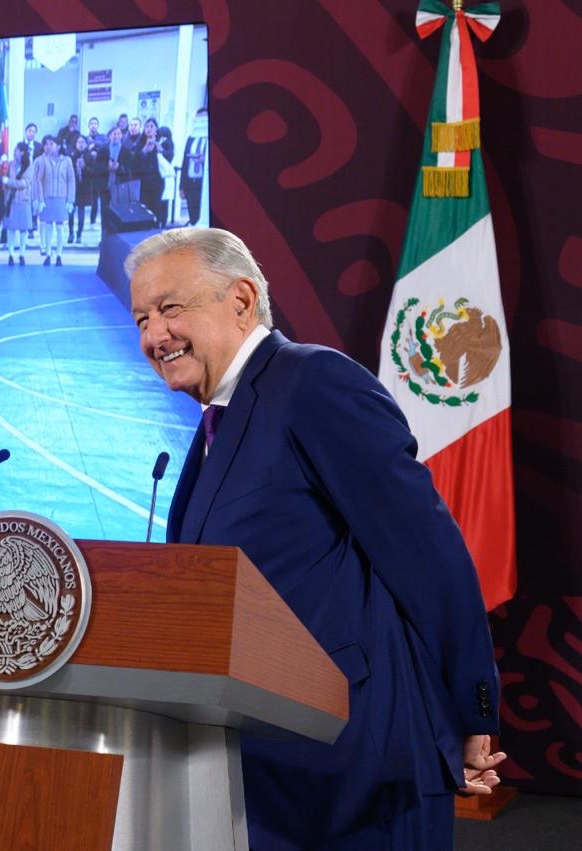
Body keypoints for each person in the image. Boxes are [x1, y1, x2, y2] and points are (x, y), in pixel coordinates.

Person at [126, 228, 505, 848]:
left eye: (170, 309)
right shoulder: (218, 423)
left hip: (357, 769)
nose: (152, 335)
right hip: (271, 764)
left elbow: (428, 554)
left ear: (242, 299)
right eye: (141, 317)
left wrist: (472, 710)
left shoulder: (313, 383)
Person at [31, 136, 75, 267]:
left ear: (58, 146)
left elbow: (71, 180)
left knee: (60, 228)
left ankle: (59, 254)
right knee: (48, 227)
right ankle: (48, 253)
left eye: (52, 144)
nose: (49, 146)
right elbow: (38, 180)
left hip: (61, 198)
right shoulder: (44, 161)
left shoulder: (67, 161)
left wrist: (70, 200)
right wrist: (40, 199)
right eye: (47, 144)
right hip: (48, 198)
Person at [138, 118, 174, 228]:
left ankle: (158, 227)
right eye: (147, 126)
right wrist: (144, 151)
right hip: (143, 182)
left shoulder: (161, 144)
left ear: (156, 130)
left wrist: (160, 151)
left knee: (158, 207)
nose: (149, 129)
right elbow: (135, 161)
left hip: (157, 182)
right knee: (144, 208)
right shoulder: (140, 143)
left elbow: (169, 158)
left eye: (151, 126)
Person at [2, 143, 33, 266]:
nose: (15, 152)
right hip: (12, 201)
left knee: (23, 230)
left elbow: (24, 183)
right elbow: (4, 181)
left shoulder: (29, 166)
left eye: (17, 150)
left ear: (22, 152)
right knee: (11, 229)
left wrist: (9, 182)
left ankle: (22, 254)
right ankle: (10, 254)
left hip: (23, 201)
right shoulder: (10, 165)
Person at [180, 108, 209, 227]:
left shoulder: (209, 139)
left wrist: (204, 160)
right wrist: (181, 187)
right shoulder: (191, 138)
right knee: (192, 215)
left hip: (203, 184)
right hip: (190, 183)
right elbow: (184, 162)